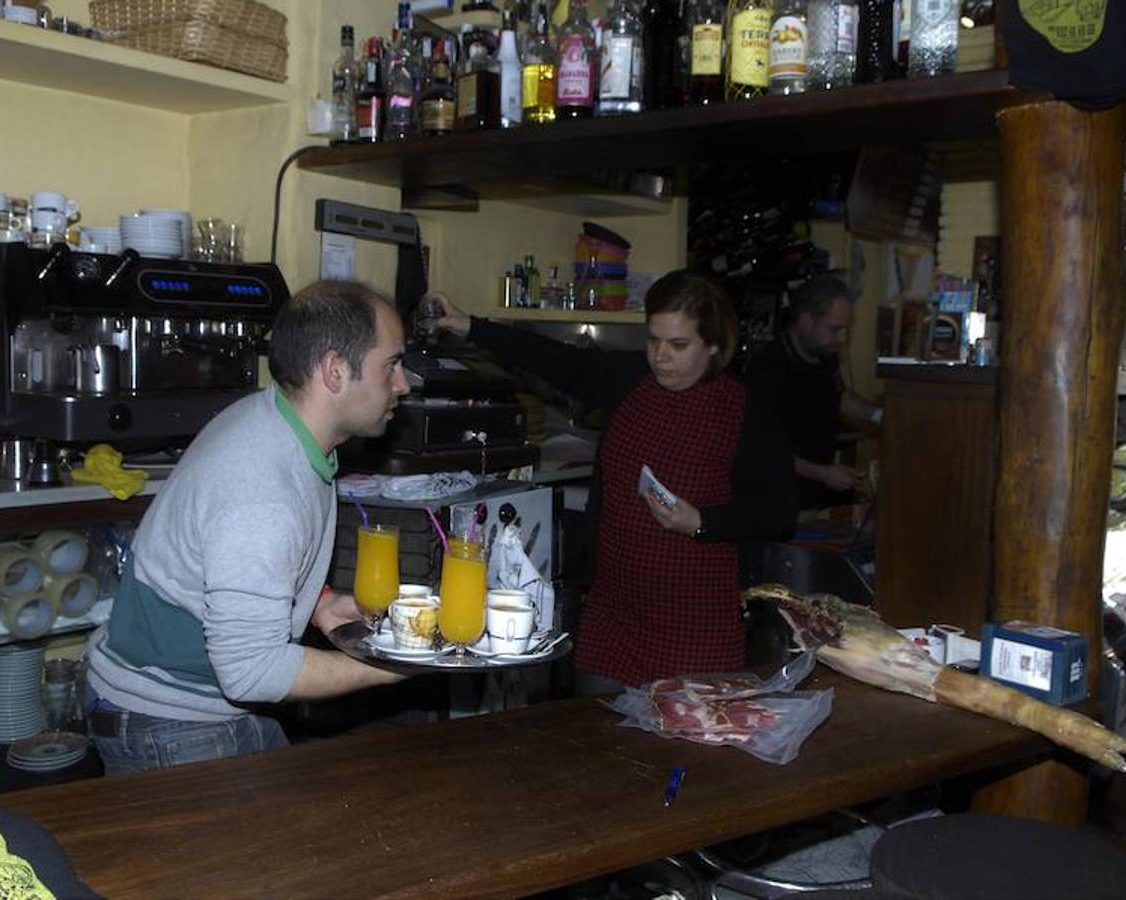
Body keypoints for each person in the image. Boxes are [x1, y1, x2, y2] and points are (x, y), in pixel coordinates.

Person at [84, 280, 409, 774]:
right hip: (170, 723)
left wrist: (319, 605)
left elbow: (235, 568)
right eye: (392, 365)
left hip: (195, 705)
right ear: (336, 370)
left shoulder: (275, 421)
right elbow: (250, 673)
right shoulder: (263, 488)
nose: (404, 383)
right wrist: (384, 667)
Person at [427, 271, 797, 692]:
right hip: (614, 607)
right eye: (654, 340)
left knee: (685, 745)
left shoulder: (744, 411)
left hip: (695, 618)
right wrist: (469, 326)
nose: (660, 356)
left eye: (678, 345)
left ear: (713, 346)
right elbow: (556, 359)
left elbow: (778, 509)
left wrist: (702, 521)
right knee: (598, 738)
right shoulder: (629, 380)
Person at [745, 274, 881, 510]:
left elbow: (838, 397)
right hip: (775, 499)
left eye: (846, 330)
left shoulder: (825, 355)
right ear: (806, 321)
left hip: (816, 496)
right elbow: (762, 449)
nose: (842, 339)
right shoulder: (768, 366)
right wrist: (824, 474)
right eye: (835, 329)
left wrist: (879, 415)